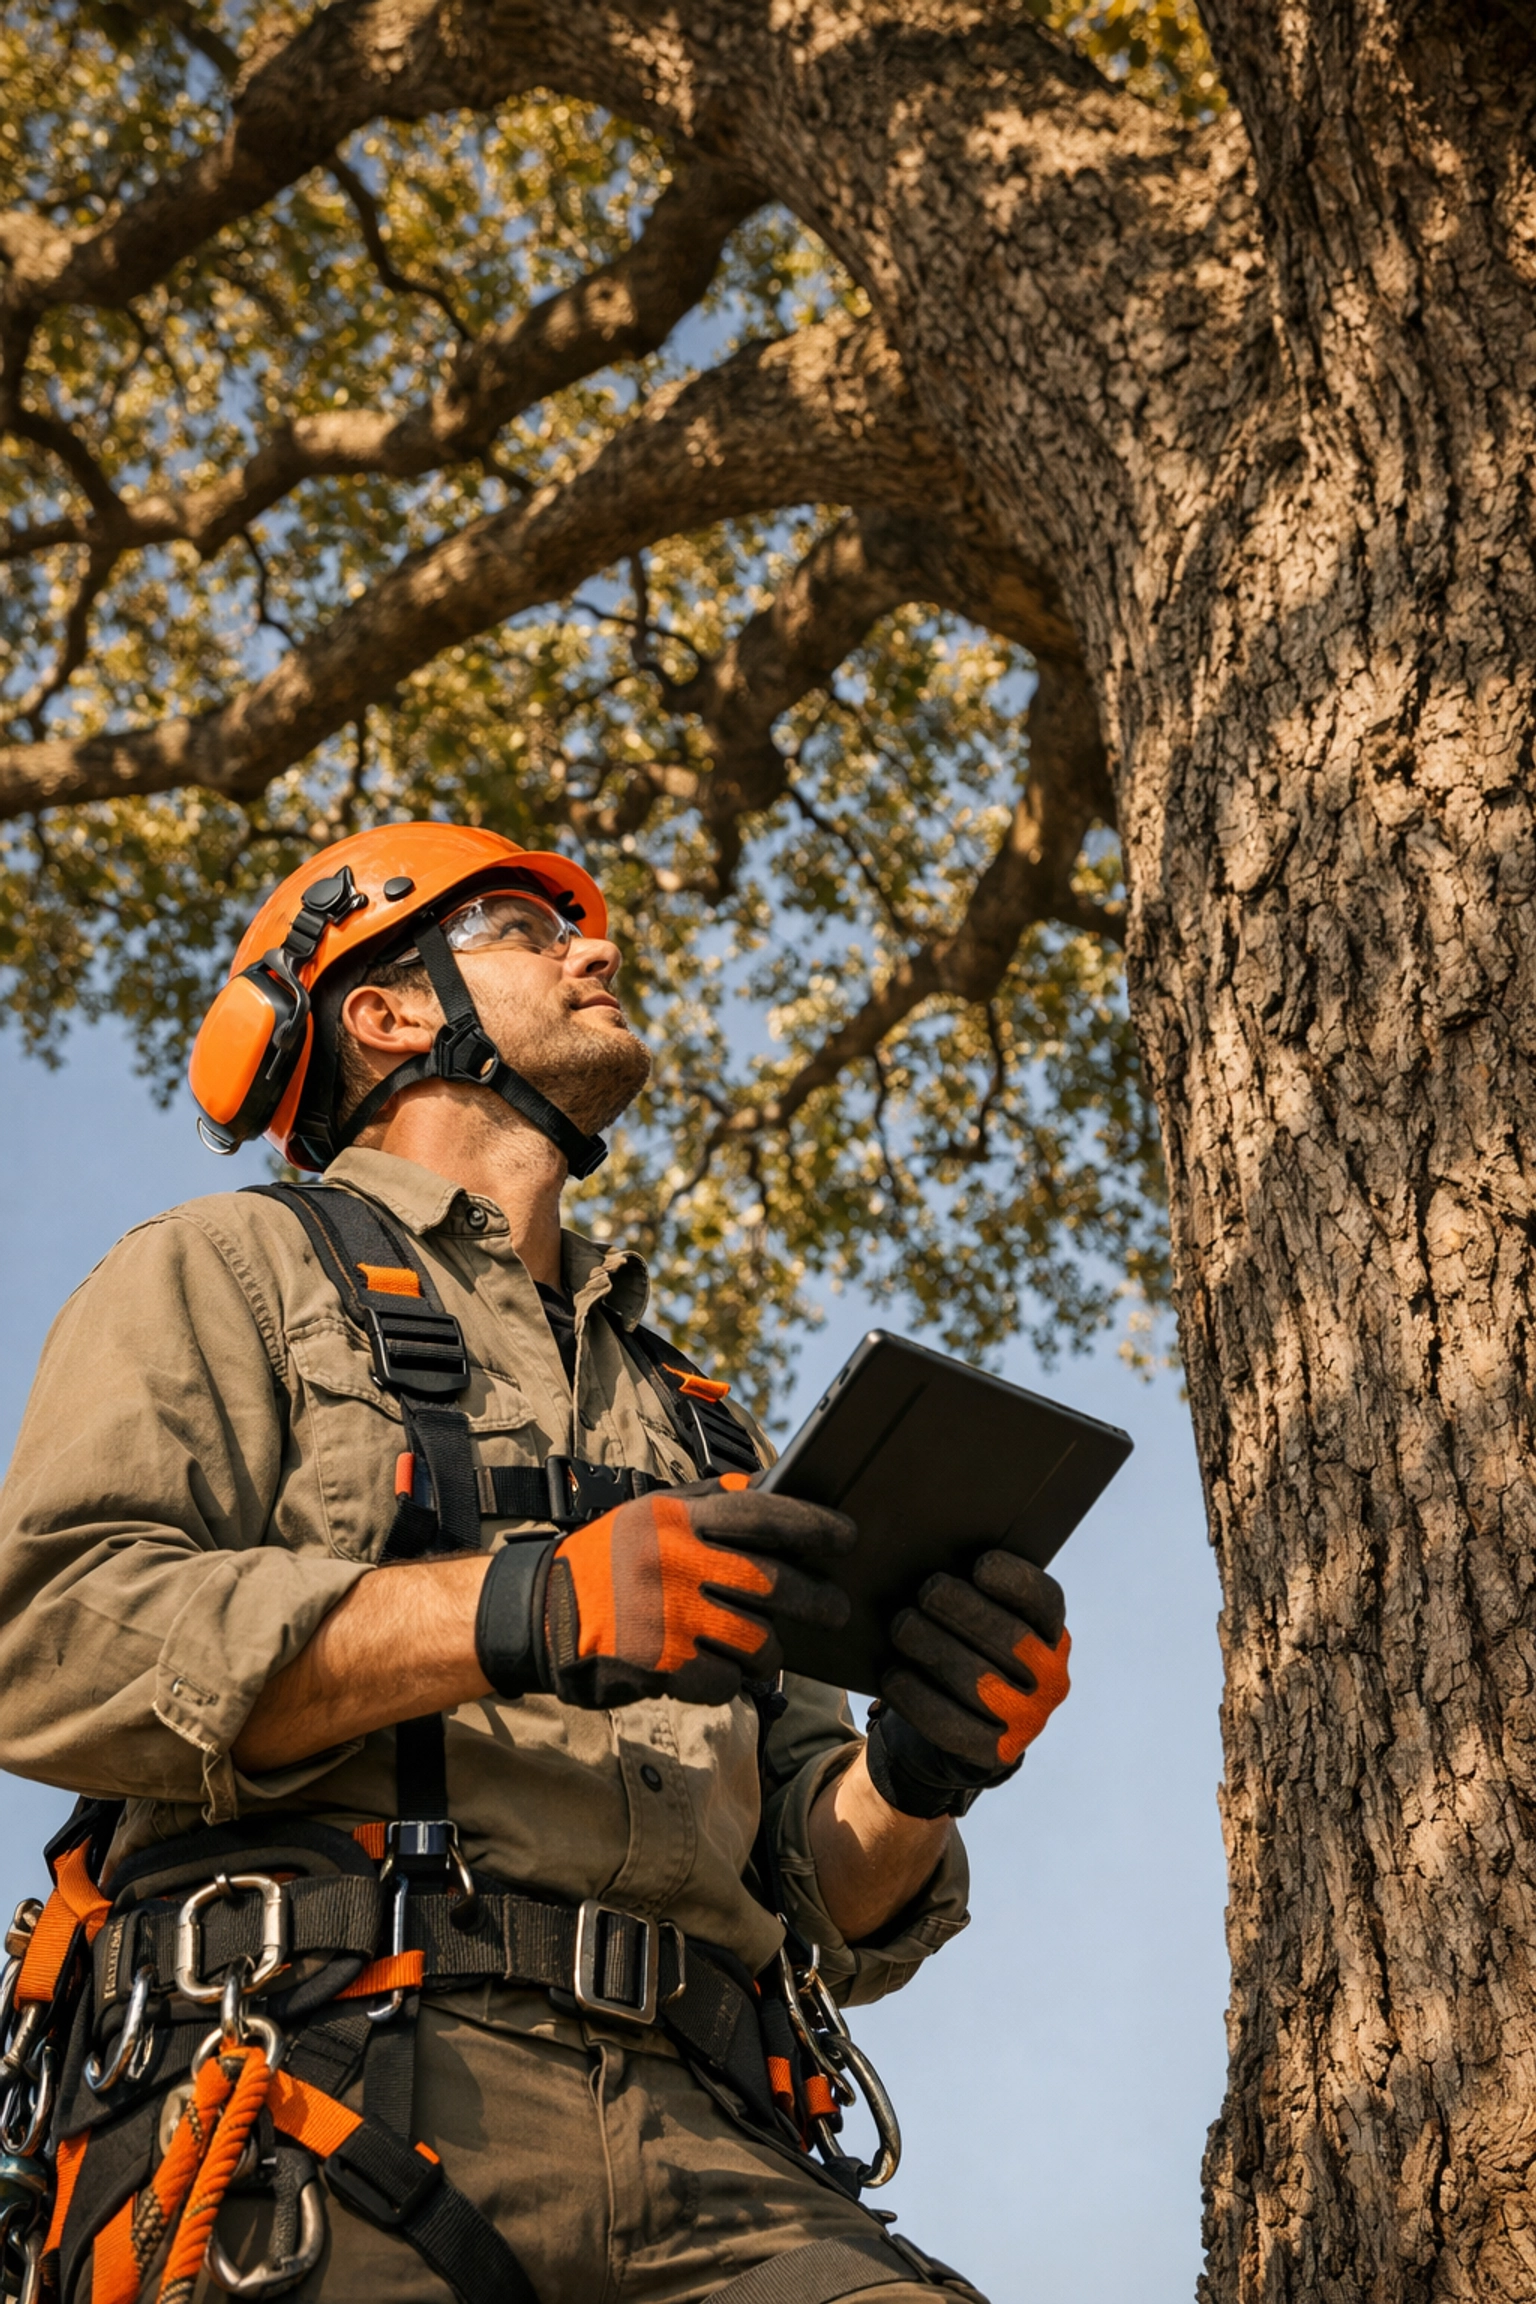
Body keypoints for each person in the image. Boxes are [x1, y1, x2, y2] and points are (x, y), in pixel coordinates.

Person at [0, 824, 1071, 2304]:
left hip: (721, 2155)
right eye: (524, 926)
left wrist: (926, 1770)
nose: (599, 949)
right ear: (385, 1006)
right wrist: (528, 1604)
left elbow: (822, 1900)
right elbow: (52, 1647)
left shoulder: (698, 1418)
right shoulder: (221, 1270)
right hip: (324, 2099)